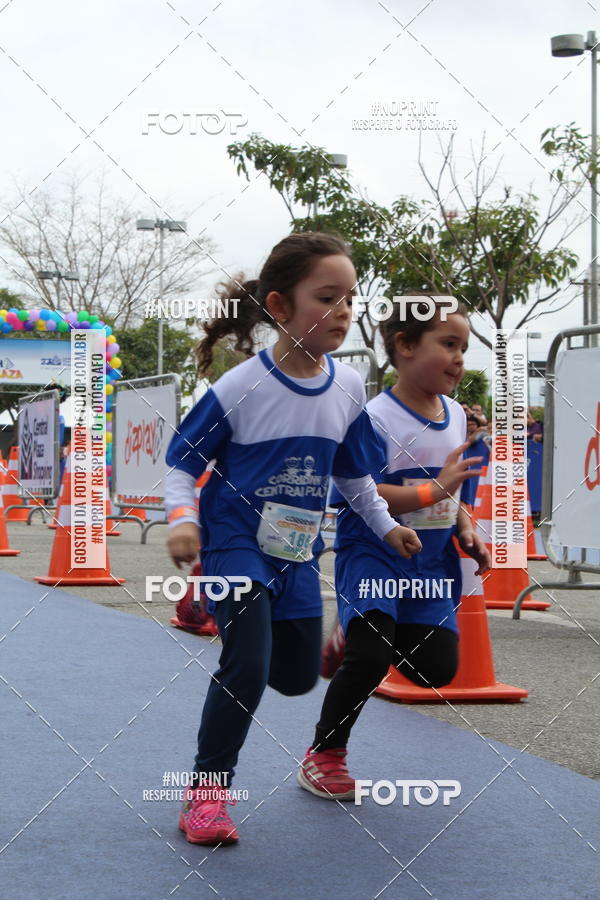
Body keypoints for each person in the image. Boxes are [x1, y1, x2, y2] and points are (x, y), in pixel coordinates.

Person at [164, 232, 421, 845]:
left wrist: (387, 527)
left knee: (297, 677)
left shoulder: (349, 387)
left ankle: (292, 633)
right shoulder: (239, 387)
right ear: (280, 308)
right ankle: (206, 796)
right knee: (247, 665)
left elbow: (354, 474)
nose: (344, 313)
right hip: (233, 540)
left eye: (350, 298)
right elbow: (180, 464)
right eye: (326, 299)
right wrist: (181, 520)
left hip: (296, 549)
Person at [297, 297, 491, 801]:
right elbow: (357, 489)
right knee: (372, 653)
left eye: (464, 348)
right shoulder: (376, 418)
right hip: (374, 548)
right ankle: (325, 754)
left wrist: (467, 529)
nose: (459, 359)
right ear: (404, 346)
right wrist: (431, 491)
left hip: (430, 560)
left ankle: (354, 633)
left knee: (436, 669)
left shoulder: (455, 417)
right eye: (448, 344)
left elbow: (457, 491)